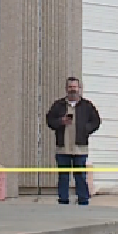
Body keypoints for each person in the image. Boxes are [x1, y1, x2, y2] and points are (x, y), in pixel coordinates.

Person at [45, 77, 102, 205]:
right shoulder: (58, 105)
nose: (73, 90)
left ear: (79, 88)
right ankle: (63, 200)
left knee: (80, 176)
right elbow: (49, 120)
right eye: (70, 87)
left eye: (75, 87)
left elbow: (96, 121)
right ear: (66, 89)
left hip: (80, 148)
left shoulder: (87, 106)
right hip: (63, 148)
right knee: (63, 177)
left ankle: (83, 200)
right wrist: (61, 122)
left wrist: (86, 129)